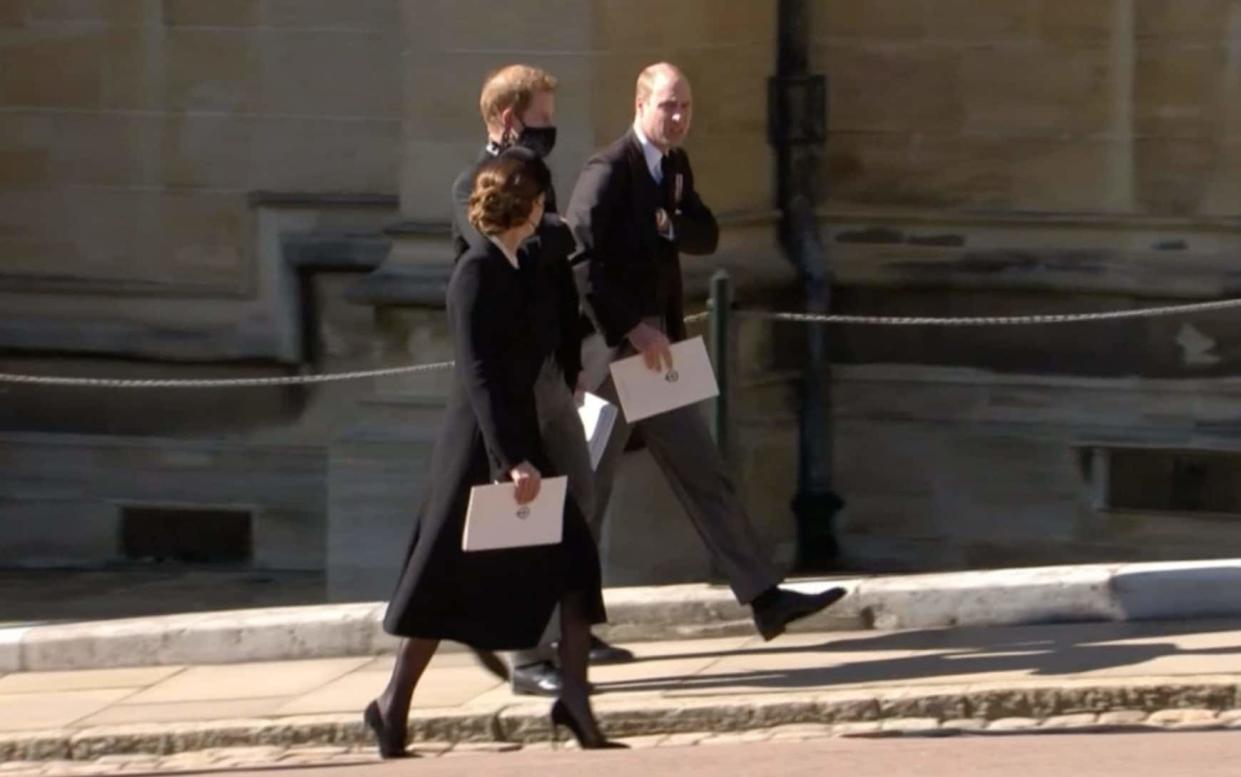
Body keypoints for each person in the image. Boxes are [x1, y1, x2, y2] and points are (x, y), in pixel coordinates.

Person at [564, 63, 847, 642]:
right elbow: (579, 259)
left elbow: (705, 233)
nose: (678, 117)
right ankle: (559, 631)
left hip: (659, 349)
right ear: (640, 104)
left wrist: (667, 220)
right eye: (668, 105)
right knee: (586, 492)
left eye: (685, 107)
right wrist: (629, 327)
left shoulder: (673, 167)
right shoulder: (606, 170)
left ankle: (765, 597)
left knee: (705, 470)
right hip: (612, 352)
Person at [365, 155, 625, 757]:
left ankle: (577, 703)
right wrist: (513, 460)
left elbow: (565, 250)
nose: (548, 210)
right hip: (479, 451)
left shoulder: (523, 259)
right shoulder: (476, 272)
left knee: (576, 566)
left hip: (524, 442)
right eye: (541, 201)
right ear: (527, 207)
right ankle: (392, 705)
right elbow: (479, 376)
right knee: (440, 584)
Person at [449, 64, 633, 698]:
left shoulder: (540, 185)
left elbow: (557, 276)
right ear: (508, 118)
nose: (552, 130)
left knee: (578, 503)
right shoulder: (475, 186)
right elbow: (502, 265)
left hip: (555, 376)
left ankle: (569, 629)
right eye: (544, 118)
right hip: (513, 387)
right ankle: (527, 654)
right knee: (526, 519)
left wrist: (575, 351)